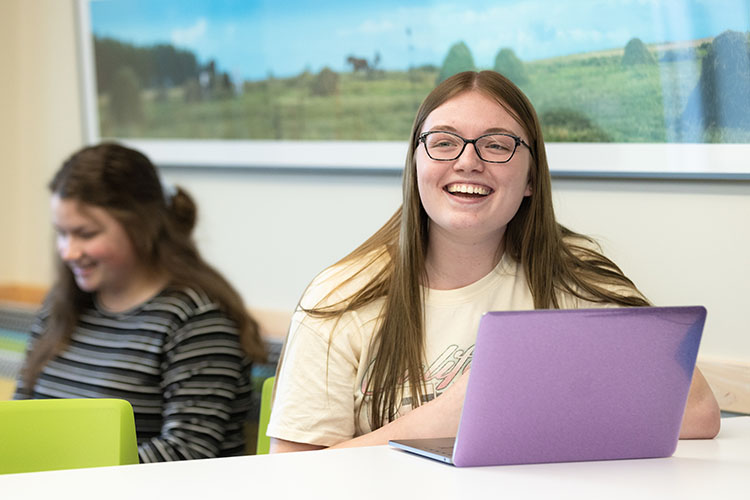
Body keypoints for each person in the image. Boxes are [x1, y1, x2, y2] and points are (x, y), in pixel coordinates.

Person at [267, 71, 721, 452]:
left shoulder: (574, 275)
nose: (468, 162)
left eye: (498, 145)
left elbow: (698, 413)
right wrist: (438, 421)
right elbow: (289, 479)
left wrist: (519, 406)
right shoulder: (340, 298)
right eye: (443, 143)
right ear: (416, 166)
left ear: (529, 178)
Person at [14, 143, 266, 462]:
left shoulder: (196, 320)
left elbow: (186, 451)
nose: (68, 252)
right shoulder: (63, 303)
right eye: (61, 234)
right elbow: (22, 410)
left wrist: (63, 472)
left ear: (139, 226)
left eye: (86, 234)